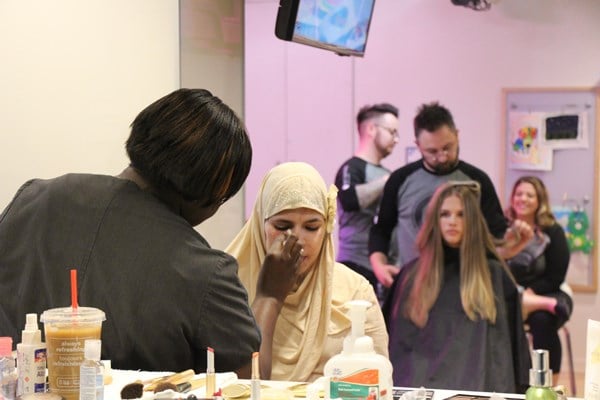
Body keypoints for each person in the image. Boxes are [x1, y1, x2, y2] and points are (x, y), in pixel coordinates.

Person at [0, 88, 261, 376]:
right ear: (213, 193)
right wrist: (271, 294)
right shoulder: (206, 273)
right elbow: (249, 381)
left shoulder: (34, 198)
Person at [226, 162, 388, 382]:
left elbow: (378, 385)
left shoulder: (355, 292)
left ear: (327, 228)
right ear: (259, 224)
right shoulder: (229, 286)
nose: (298, 240)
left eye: (312, 227)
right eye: (282, 226)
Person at [384, 181, 530, 393]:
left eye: (461, 215)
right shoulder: (411, 276)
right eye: (445, 214)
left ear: (472, 220)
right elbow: (395, 348)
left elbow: (510, 354)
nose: (453, 222)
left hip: (476, 389)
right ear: (435, 219)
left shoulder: (494, 276)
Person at [369, 101, 531, 289]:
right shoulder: (400, 180)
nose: (442, 156)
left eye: (448, 147)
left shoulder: (477, 181)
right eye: (432, 151)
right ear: (418, 145)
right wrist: (379, 265)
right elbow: (381, 230)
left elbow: (495, 242)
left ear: (457, 136)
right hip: (413, 283)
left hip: (464, 285)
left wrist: (516, 244)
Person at [505, 176, 573, 380]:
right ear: (512, 198)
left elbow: (556, 275)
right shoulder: (502, 228)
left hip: (550, 292)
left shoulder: (553, 231)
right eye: (519, 194)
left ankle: (549, 387)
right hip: (510, 294)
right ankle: (511, 381)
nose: (523, 199)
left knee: (542, 320)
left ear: (539, 200)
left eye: (529, 195)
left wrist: (530, 292)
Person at [335, 103, 399, 301]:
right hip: (354, 265)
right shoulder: (351, 168)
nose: (396, 139)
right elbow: (349, 200)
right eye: (392, 132)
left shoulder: (388, 174)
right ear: (371, 129)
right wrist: (388, 183)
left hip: (383, 268)